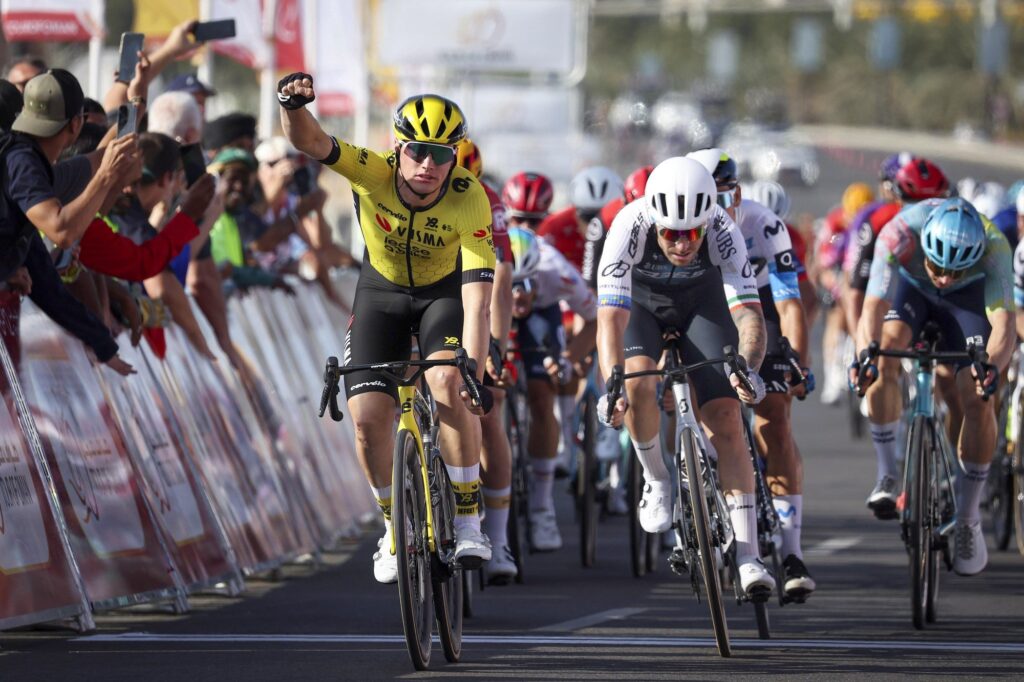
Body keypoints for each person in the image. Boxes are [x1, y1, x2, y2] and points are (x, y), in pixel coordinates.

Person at [279, 75, 496, 583]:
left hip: (443, 295)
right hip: (381, 293)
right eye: (417, 151)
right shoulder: (372, 171)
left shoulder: (469, 196)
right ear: (398, 148)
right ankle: (393, 526)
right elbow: (312, 141)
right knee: (366, 417)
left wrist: (475, 371)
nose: (428, 165)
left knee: (448, 381)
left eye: (441, 154)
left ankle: (468, 520)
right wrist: (291, 105)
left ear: (455, 157)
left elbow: (477, 300)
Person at [595, 156, 775, 597]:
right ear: (654, 221)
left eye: (692, 233)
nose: (682, 243)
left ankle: (749, 556)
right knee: (637, 383)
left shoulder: (723, 229)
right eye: (671, 234)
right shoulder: (628, 225)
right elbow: (610, 320)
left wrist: (747, 368)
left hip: (703, 306)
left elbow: (750, 315)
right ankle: (657, 479)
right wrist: (612, 385)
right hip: (642, 308)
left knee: (727, 418)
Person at [852, 197, 1013, 576]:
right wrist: (863, 356)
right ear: (924, 246)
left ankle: (968, 517)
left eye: (956, 270)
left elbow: (1003, 325)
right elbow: (872, 308)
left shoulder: (995, 247)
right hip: (912, 292)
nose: (944, 278)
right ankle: (888, 473)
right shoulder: (898, 233)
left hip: (967, 303)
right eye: (938, 267)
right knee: (884, 353)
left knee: (978, 397)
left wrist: (990, 368)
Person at [688, 148, 815, 600]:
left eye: (723, 199)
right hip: (704, 309)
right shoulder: (681, 225)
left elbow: (790, 303)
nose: (715, 211)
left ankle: (792, 550)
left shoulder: (764, 224)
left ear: (737, 194)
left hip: (759, 310)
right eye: (706, 200)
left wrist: (797, 361)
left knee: (773, 417)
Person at [0, 68, 137, 375]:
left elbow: (95, 160)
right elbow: (61, 231)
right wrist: (106, 177)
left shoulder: (26, 163)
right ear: (76, 124)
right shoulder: (22, 164)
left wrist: (102, 344)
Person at [508, 227, 597, 552]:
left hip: (543, 314)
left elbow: (595, 319)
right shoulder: (486, 270)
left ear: (538, 276)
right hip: (489, 304)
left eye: (525, 285)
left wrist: (569, 359)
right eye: (512, 285)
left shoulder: (557, 271)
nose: (518, 295)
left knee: (542, 396)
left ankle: (542, 507)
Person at [456, 138, 518, 584]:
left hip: (475, 293)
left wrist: (497, 343)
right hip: (431, 295)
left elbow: (501, 278)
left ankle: (497, 537)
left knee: (488, 410)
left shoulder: (486, 199)